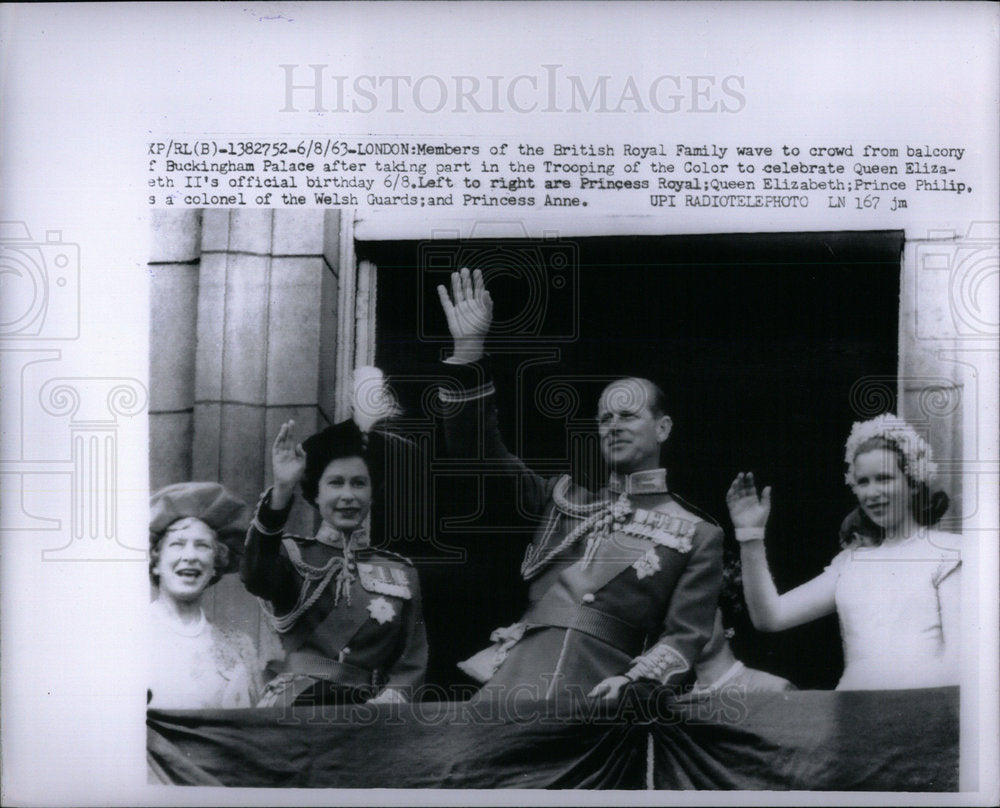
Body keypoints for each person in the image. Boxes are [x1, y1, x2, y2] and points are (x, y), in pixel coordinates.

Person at [437, 268, 724, 703]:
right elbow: (479, 454)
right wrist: (468, 353)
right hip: (513, 684)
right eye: (605, 418)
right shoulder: (561, 500)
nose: (613, 426)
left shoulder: (697, 534)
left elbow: (685, 636)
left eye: (628, 416)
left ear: (662, 428)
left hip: (600, 692)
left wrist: (636, 683)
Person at [727, 413, 961, 690]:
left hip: (923, 717)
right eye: (863, 482)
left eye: (884, 478)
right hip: (853, 718)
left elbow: (960, 663)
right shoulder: (849, 563)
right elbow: (770, 617)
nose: (871, 493)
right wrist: (750, 536)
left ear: (912, 481)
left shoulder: (948, 552)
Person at [241, 419, 428, 707]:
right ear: (316, 494)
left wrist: (392, 698)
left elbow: (412, 660)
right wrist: (281, 490)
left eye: (359, 483)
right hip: (296, 708)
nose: (348, 495)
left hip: (368, 716)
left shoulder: (401, 572)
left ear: (371, 493)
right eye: (335, 483)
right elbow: (255, 575)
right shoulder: (293, 556)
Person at [148, 482, 263, 709]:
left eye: (202, 545)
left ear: (215, 566)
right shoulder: (126, 638)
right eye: (177, 544)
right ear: (155, 563)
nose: (190, 556)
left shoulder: (240, 647)